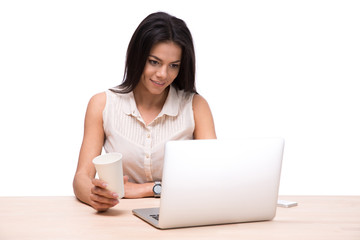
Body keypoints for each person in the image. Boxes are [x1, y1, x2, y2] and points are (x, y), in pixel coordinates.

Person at [73, 12, 216, 212]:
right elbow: (81, 178)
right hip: (119, 218)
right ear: (137, 57)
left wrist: (146, 189)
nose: (163, 74)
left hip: (181, 214)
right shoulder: (102, 104)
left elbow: (213, 179)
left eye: (173, 66)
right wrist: (96, 195)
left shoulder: (196, 106)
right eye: (154, 62)